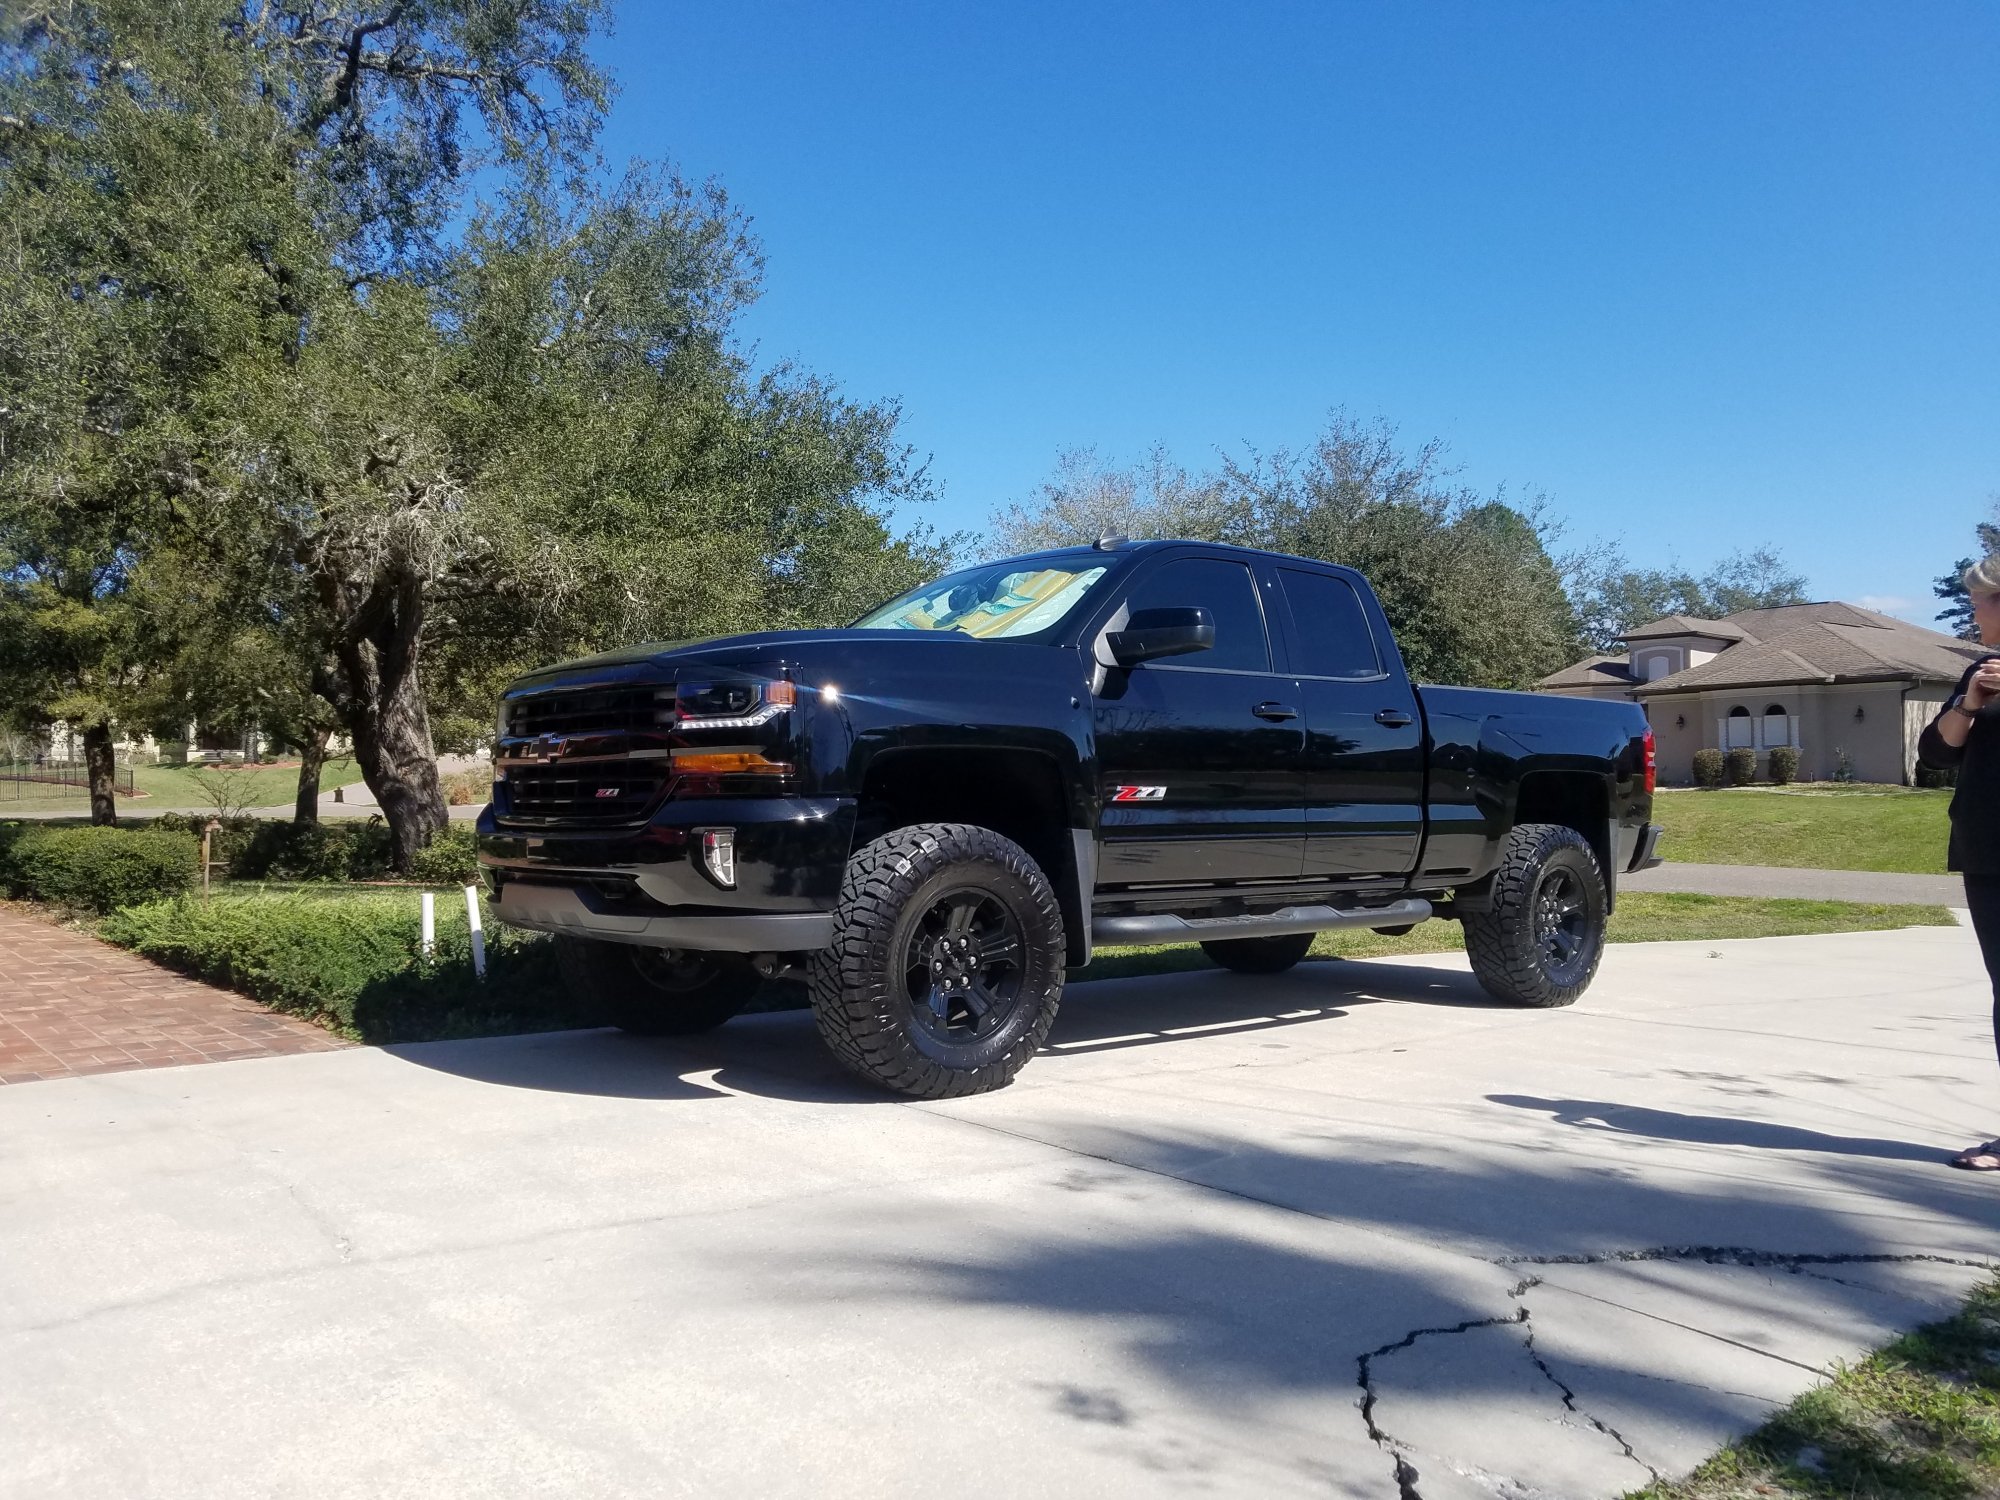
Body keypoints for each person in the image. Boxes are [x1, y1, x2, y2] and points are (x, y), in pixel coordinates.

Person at [1917, 554, 2000, 1169]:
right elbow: (1936, 755)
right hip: (1988, 850)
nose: (1971, 615)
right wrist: (1971, 701)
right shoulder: (1982, 671)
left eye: (1978, 603)